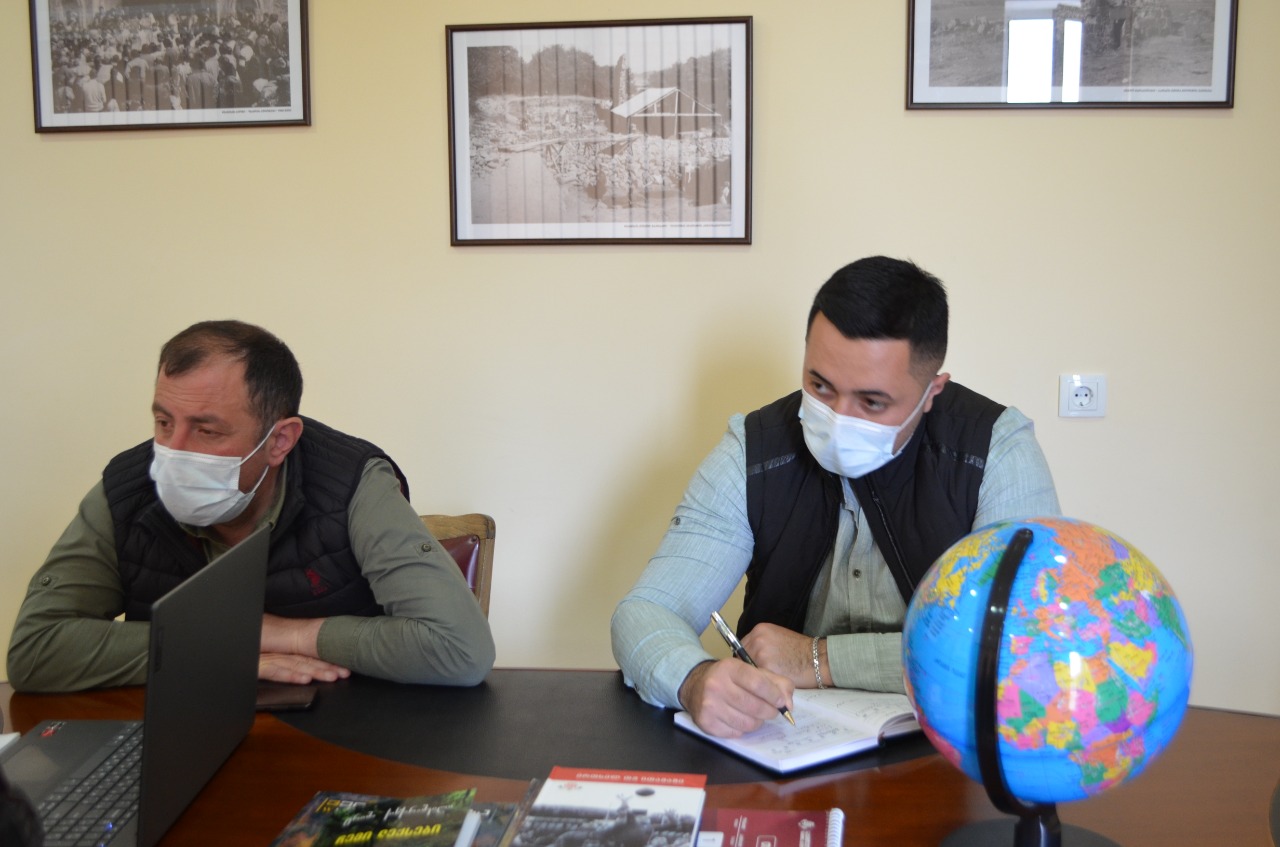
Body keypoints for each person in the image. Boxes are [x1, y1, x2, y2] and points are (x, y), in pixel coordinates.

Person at [611, 256, 1060, 738]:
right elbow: (645, 612)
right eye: (820, 386)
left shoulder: (996, 449)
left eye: (872, 401)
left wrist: (817, 659)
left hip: (947, 750)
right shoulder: (752, 449)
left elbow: (1022, 646)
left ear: (932, 392)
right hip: (781, 744)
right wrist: (693, 679)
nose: (839, 418)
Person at [7, 320, 495, 693]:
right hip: (179, 736)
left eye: (207, 430)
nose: (173, 453)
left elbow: (459, 649)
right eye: (163, 422)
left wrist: (290, 635)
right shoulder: (127, 485)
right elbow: (35, 651)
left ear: (280, 440)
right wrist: (229, 644)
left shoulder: (352, 482)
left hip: (345, 733)